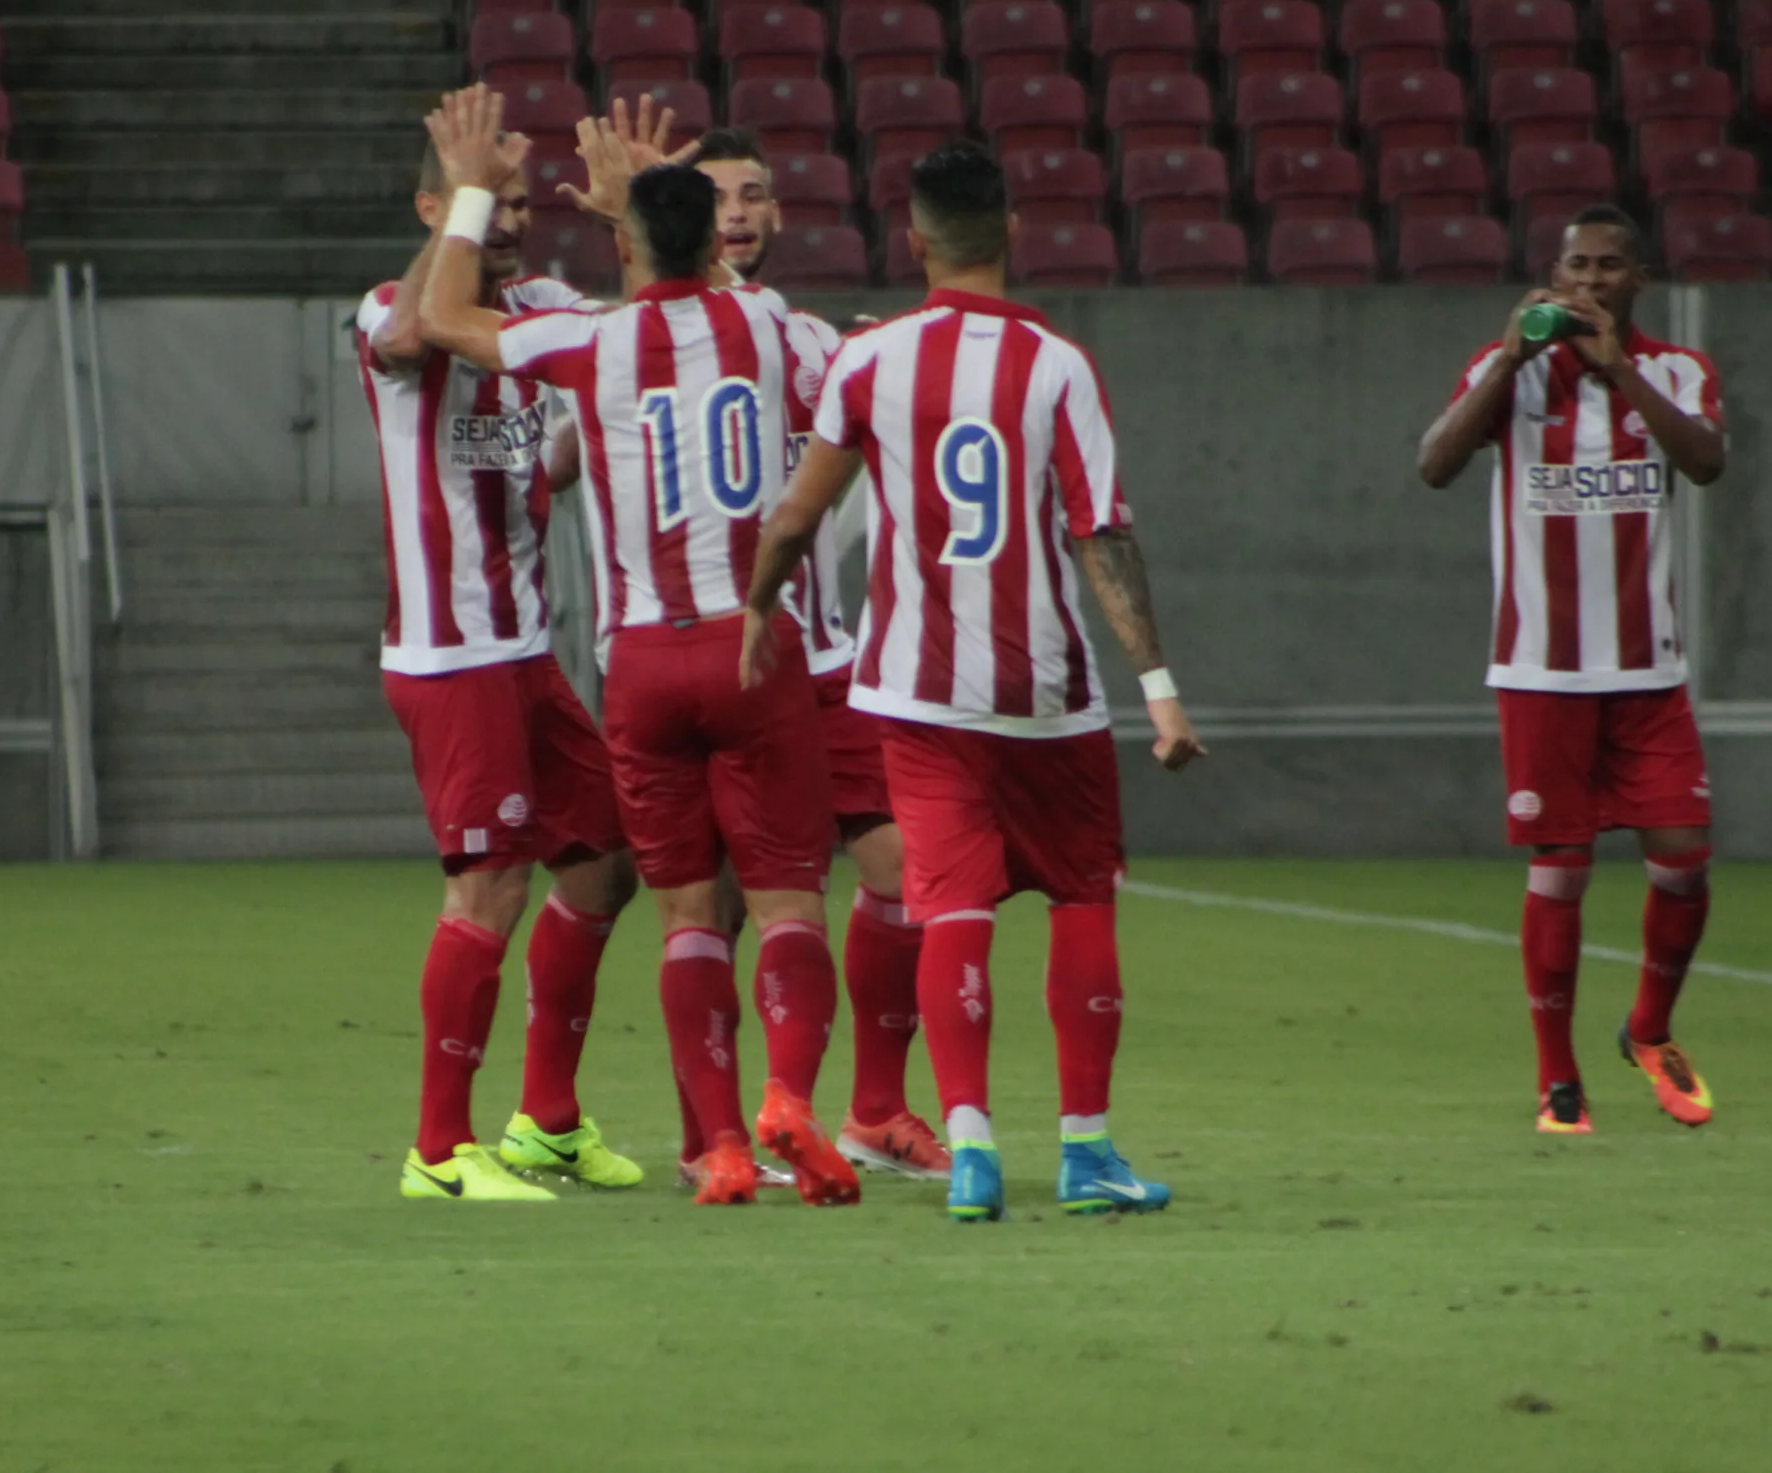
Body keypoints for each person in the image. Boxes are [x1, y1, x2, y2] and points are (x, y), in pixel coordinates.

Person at [739, 140, 1205, 1223]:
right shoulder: (1059, 366)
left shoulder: (869, 361)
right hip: (1043, 693)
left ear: (915, 242)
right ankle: (1085, 1152)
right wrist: (1161, 684)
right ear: (1011, 234)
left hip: (912, 692)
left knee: (949, 908)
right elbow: (1102, 533)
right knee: (1082, 897)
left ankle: (970, 1149)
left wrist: (759, 609)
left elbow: (798, 514)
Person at [412, 85, 857, 1209]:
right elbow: (811, 366)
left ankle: (705, 1146)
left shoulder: (588, 339)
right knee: (790, 903)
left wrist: (473, 204)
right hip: (751, 647)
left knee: (673, 910)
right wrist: (637, 213)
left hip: (639, 666)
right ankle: (789, 1104)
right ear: (715, 242)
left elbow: (458, 323)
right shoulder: (766, 323)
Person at [355, 117, 644, 1203]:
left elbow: (653, 338)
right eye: (489, 202)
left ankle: (548, 1123)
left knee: (604, 860)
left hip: (525, 651)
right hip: (449, 656)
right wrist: (469, 192)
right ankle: (437, 1151)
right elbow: (409, 340)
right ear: (434, 210)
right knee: (489, 884)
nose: (514, 223)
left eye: (523, 204)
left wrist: (633, 215)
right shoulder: (387, 307)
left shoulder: (540, 316)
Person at [1414, 204, 1728, 1136]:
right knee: (1562, 870)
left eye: (1608, 267)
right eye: (1574, 267)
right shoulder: (1507, 370)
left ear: (1639, 280)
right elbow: (1433, 465)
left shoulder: (1675, 370)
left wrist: (1619, 369)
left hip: (1646, 670)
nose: (1588, 282)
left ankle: (1650, 1029)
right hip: (1543, 670)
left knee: (1684, 857)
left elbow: (1706, 463)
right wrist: (1511, 357)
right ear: (1553, 276)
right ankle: (1559, 1079)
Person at [687, 126, 949, 1183]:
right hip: (713, 659)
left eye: (755, 195)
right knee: (713, 905)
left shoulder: (810, 343)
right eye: (715, 201)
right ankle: (709, 1135)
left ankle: (873, 1111)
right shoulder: (645, 339)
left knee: (905, 874)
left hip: (828, 663)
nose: (739, 214)